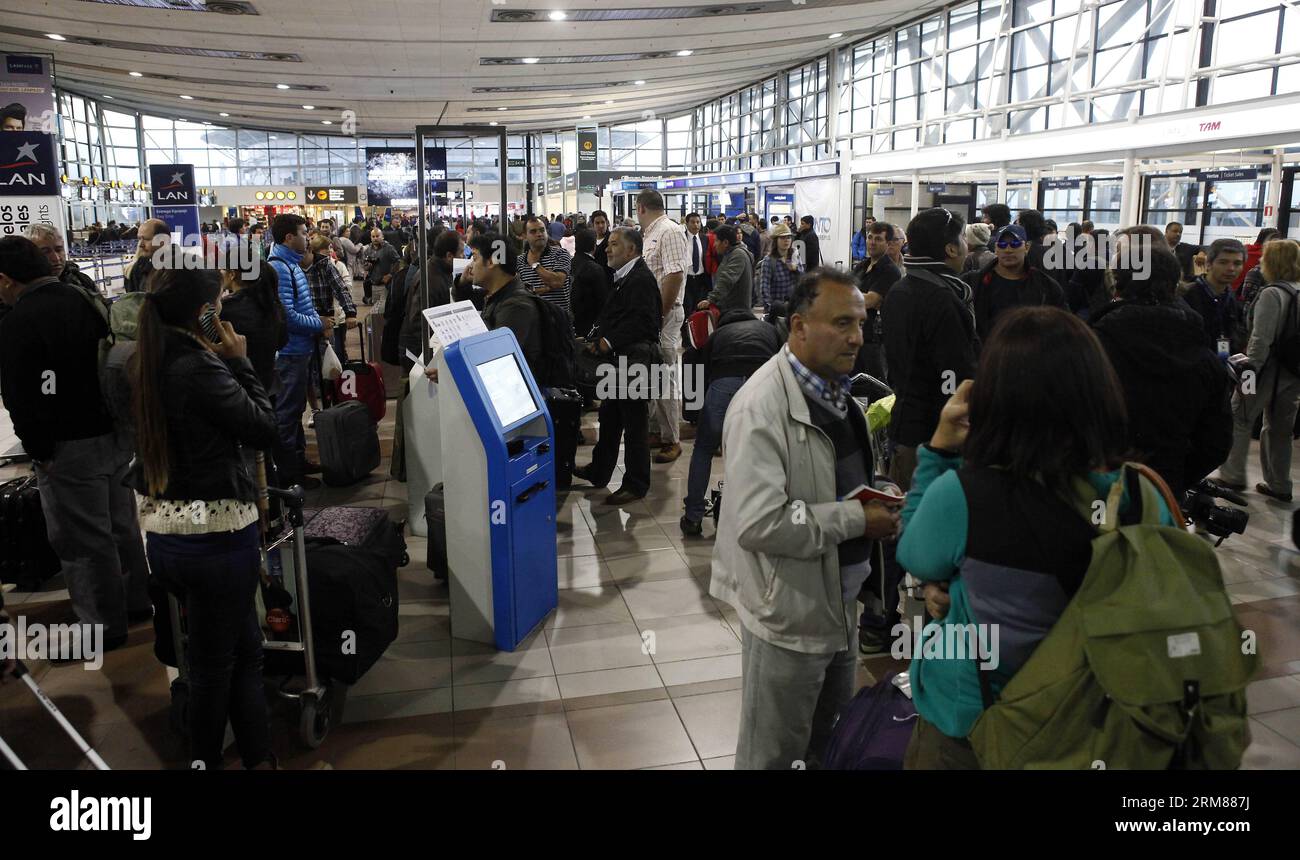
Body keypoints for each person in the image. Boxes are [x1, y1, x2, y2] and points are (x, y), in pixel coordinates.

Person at [897, 307, 1174, 769]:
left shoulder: (965, 496)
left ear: (996, 398)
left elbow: (916, 553)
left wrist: (941, 449)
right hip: (1097, 725)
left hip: (976, 726)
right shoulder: (1141, 495)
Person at [709, 268, 900, 769]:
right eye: (841, 322)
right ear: (797, 327)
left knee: (828, 745)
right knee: (773, 752)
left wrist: (879, 494)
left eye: (860, 322)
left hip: (839, 604)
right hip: (789, 612)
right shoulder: (761, 407)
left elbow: (835, 479)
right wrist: (860, 519)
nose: (856, 336)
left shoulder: (837, 392)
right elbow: (759, 523)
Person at [130, 264, 278, 770]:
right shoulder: (200, 367)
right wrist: (241, 362)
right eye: (218, 304)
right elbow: (263, 428)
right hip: (215, 536)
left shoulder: (143, 359)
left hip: (167, 536)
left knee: (242, 652)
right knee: (217, 667)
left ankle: (260, 759)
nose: (226, 311)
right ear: (203, 314)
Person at [0, 236, 151, 651]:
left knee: (83, 539)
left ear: (6, 279)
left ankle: (102, 625)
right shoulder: (84, 298)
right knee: (121, 525)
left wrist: (39, 449)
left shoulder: (18, 320)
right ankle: (139, 601)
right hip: (113, 434)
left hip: (67, 446)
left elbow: (22, 395)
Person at [1092, 247, 1232, 499]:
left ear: (1117, 283)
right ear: (1175, 284)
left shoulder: (1093, 346)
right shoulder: (1204, 355)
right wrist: (1174, 477)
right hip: (1165, 484)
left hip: (1100, 480)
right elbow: (1216, 441)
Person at [881, 207, 978, 492]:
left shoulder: (900, 290)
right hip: (934, 437)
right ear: (950, 249)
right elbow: (955, 374)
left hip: (904, 425)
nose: (966, 246)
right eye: (961, 238)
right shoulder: (942, 300)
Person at [572, 227, 662, 505]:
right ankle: (599, 470)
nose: (607, 249)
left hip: (635, 362)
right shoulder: (624, 277)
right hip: (621, 361)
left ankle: (636, 484)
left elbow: (644, 323)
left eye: (613, 244)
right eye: (607, 244)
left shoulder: (640, 280)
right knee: (610, 417)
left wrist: (607, 342)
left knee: (635, 424)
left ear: (631, 250)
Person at [680, 304, 780, 535]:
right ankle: (762, 513)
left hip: (723, 385)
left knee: (703, 449)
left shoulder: (718, 335)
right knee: (765, 451)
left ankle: (693, 516)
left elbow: (702, 376)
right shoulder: (769, 330)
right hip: (762, 384)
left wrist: (700, 417)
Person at [1217, 239, 1300, 502]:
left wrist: (1247, 374)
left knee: (1240, 416)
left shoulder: (1271, 294)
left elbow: (1260, 340)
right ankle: (1280, 483)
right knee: (1280, 428)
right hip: (1293, 373)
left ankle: (1232, 475)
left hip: (1264, 371)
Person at [268, 214, 323, 489]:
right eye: (303, 233)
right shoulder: (280, 268)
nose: (307, 237)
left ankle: (298, 462)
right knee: (287, 415)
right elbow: (287, 315)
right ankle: (289, 476)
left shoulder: (291, 265)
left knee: (295, 409)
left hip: (298, 351)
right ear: (289, 238)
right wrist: (317, 324)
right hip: (289, 353)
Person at [635, 188, 689, 464]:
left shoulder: (669, 231)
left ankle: (673, 439)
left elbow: (675, 275)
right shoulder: (650, 234)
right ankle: (657, 430)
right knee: (656, 376)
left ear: (641, 207)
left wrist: (660, 314)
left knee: (667, 378)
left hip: (665, 316)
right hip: (652, 316)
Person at [964, 224, 1067, 341]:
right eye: (1002, 245)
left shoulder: (1046, 285)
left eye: (1015, 244)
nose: (1008, 250)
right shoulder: (973, 282)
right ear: (996, 249)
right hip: (986, 353)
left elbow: (1062, 325)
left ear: (1026, 247)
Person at [219, 263, 287, 396]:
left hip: (235, 388)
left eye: (222, 269)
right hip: (266, 385)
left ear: (232, 274)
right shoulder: (273, 306)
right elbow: (282, 342)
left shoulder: (224, 310)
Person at [854, 220, 903, 381]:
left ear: (888, 243)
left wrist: (844, 296)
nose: (872, 242)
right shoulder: (861, 266)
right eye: (869, 237)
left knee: (876, 387)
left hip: (875, 340)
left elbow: (871, 300)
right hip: (856, 335)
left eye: (878, 239)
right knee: (855, 384)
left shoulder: (890, 271)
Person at [1183, 238, 1245, 356]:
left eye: (1237, 263)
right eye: (1223, 262)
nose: (1231, 268)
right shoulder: (1188, 295)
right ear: (1209, 264)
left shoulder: (1231, 296)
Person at [304, 233, 357, 368]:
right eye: (326, 248)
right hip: (304, 322)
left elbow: (341, 288)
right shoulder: (291, 265)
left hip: (326, 320)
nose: (329, 251)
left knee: (328, 362)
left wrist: (350, 313)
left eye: (330, 248)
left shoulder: (325, 264)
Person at [517, 214, 573, 315]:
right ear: (524, 235)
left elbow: (557, 282)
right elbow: (519, 293)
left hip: (558, 320)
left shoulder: (561, 254)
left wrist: (535, 265)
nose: (539, 234)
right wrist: (546, 287)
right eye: (533, 231)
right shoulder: (519, 261)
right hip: (532, 321)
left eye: (542, 230)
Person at [25, 223, 99, 296]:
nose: (56, 258)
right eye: (46, 252)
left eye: (59, 250)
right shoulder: (22, 288)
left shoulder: (81, 280)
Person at [569, 227, 613, 339]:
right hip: (591, 324)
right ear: (594, 246)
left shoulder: (570, 263)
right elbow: (603, 301)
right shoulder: (595, 269)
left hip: (573, 321)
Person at [700, 225, 754, 312]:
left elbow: (727, 279)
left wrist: (711, 299)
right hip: (730, 308)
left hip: (736, 312)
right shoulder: (730, 254)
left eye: (716, 241)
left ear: (725, 242)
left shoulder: (738, 255)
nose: (714, 245)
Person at [757, 222, 802, 307]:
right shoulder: (769, 260)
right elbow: (764, 287)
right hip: (776, 307)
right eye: (782, 238)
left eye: (789, 237)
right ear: (776, 240)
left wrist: (795, 269)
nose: (786, 240)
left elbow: (803, 279)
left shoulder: (794, 256)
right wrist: (770, 307)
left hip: (794, 306)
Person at [124, 219, 172, 293]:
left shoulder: (180, 270)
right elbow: (133, 300)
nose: (140, 244)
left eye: (146, 239)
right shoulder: (139, 266)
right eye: (139, 239)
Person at [361, 227, 400, 306]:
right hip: (373, 282)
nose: (375, 238)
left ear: (382, 237)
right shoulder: (368, 250)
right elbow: (365, 265)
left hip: (386, 282)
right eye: (373, 236)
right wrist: (367, 266)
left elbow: (398, 261)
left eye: (377, 236)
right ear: (371, 238)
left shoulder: (389, 248)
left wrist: (390, 275)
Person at [682, 212, 711, 312]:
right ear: (686, 223)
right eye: (693, 222)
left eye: (698, 222)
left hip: (701, 278)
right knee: (687, 307)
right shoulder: (682, 238)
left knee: (700, 308)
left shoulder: (705, 238)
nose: (696, 225)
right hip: (686, 278)